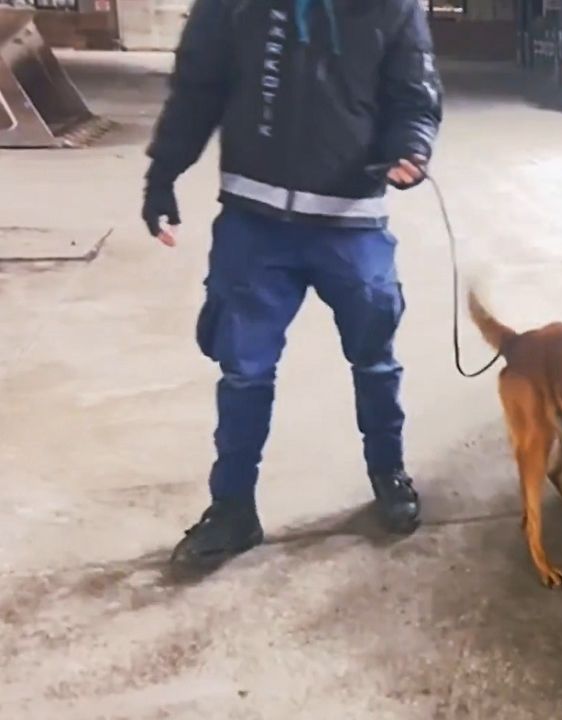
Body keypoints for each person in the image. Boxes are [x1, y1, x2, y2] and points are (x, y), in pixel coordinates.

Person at [142, 0, 444, 569]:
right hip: (255, 224)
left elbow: (415, 97)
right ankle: (232, 508)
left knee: (375, 359)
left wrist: (412, 147)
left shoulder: (393, 8)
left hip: (351, 223)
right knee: (244, 370)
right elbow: (198, 86)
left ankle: (388, 472)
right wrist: (164, 172)